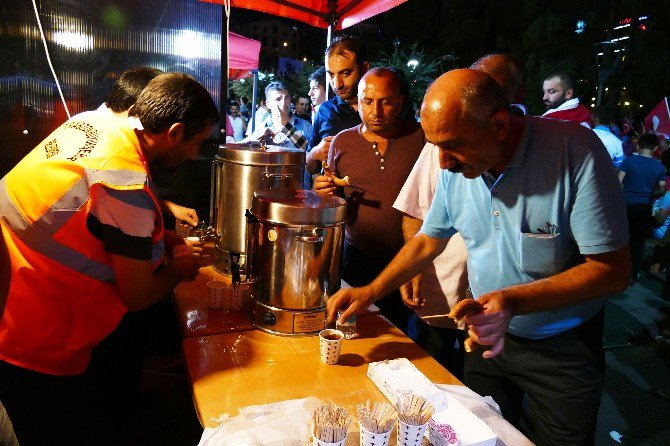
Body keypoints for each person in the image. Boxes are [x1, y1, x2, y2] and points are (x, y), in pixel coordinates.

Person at [327, 69, 630, 446]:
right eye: (434, 146)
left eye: (451, 145)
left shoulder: (575, 152)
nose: (442, 163)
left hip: (561, 348)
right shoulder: (457, 165)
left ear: (499, 125)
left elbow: (612, 271)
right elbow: (427, 241)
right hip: (483, 340)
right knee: (481, 437)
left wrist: (511, 300)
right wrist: (370, 292)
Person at [0, 73, 219, 445]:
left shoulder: (92, 122)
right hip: (38, 333)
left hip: (14, 292)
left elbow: (88, 218)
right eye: (196, 143)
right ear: (176, 132)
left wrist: (158, 238)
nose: (194, 156)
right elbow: (138, 294)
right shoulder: (125, 182)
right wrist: (179, 269)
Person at [394, 53, 526, 381]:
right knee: (433, 385)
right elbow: (416, 211)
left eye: (488, 90)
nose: (475, 96)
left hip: (506, 313)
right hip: (442, 293)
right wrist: (411, 269)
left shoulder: (540, 151)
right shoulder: (444, 143)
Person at [314, 67, 424, 334]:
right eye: (368, 101)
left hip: (410, 259)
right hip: (356, 259)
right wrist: (325, 194)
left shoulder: (421, 138)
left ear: (400, 101)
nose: (376, 111)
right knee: (359, 330)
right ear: (358, 102)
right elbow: (333, 202)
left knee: (404, 335)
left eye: (385, 102)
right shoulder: (342, 141)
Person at [98, 66, 201, 227]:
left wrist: (165, 206)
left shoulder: (88, 122)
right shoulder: (116, 152)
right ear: (138, 111)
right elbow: (129, 248)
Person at [306, 36, 369, 178]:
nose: (337, 83)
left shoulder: (379, 109)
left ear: (364, 68)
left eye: (346, 73)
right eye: (331, 75)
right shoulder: (325, 111)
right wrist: (315, 153)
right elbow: (309, 167)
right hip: (334, 198)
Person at [618, 133, 665, 281]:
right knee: (638, 242)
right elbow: (662, 189)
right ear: (655, 148)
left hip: (626, 204)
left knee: (620, 238)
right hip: (644, 207)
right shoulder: (659, 167)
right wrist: (651, 193)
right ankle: (632, 275)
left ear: (638, 145)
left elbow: (618, 181)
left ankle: (615, 270)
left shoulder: (629, 161)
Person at [248, 81, 312, 152]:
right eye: (278, 99)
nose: (283, 103)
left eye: (286, 98)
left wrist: (286, 126)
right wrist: (258, 142)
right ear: (268, 104)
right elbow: (250, 152)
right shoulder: (261, 127)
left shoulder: (306, 126)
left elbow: (310, 151)